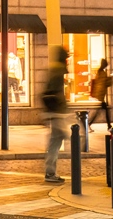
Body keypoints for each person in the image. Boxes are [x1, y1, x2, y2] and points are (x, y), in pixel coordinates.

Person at [42, 46, 70, 184]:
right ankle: (50, 172)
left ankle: (50, 171)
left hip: (55, 112)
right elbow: (54, 91)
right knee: (64, 138)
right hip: (57, 112)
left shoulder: (55, 68)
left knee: (55, 140)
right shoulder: (58, 70)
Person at [88, 59, 113, 130]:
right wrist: (110, 78)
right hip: (99, 97)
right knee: (103, 112)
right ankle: (109, 126)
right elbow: (105, 84)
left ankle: (89, 124)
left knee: (98, 112)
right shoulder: (103, 73)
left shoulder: (99, 72)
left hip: (97, 96)